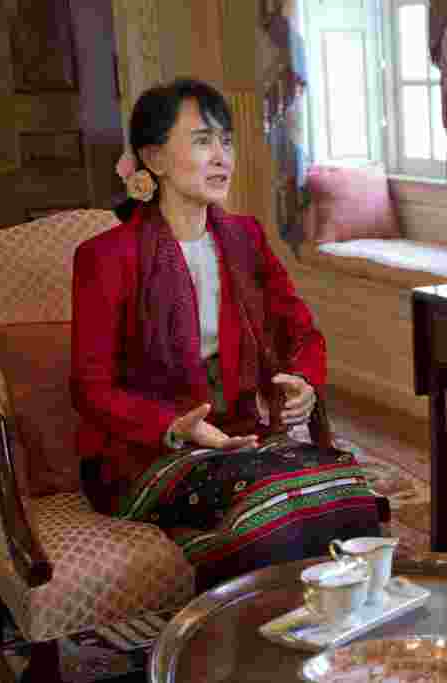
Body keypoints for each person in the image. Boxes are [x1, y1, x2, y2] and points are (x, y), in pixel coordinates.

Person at [71, 78, 380, 585]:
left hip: (240, 436)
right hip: (145, 454)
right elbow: (90, 389)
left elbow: (302, 332)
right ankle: (244, 644)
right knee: (270, 509)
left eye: (226, 141)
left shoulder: (245, 239)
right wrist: (175, 426)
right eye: (201, 141)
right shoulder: (106, 257)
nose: (221, 156)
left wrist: (303, 379)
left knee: (346, 489)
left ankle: (341, 641)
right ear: (154, 158)